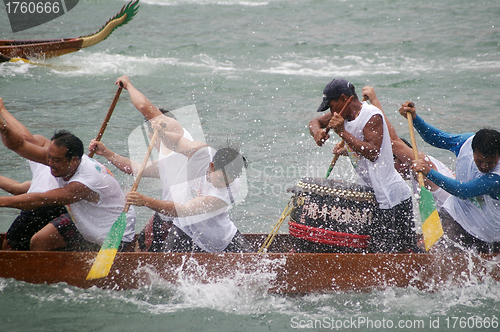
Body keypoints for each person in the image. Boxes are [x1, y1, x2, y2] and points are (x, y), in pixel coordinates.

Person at [112, 75, 252, 253]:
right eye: (223, 178)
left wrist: (145, 200)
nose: (226, 182)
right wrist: (162, 134)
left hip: (221, 240)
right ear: (211, 166)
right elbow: (177, 143)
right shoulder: (203, 153)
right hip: (185, 231)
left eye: (231, 179)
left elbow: (182, 209)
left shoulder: (226, 192)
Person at [0, 98, 136, 251]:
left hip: (113, 232)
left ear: (74, 160)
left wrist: (2, 201)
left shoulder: (84, 182)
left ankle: (52, 273)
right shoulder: (62, 158)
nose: (50, 163)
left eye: (56, 160)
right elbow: (20, 144)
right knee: (42, 239)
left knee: (39, 242)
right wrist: (3, 128)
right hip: (84, 218)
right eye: (49, 157)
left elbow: (41, 199)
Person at [315, 79, 417, 253]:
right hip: (371, 197)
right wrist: (316, 131)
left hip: (392, 198)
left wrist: (343, 133)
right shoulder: (342, 115)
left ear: (343, 99)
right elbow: (315, 121)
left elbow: (373, 152)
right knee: (374, 251)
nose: (332, 112)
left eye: (332, 106)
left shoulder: (371, 115)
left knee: (398, 253)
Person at [90, 105, 194, 252]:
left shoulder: (179, 154)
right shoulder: (170, 157)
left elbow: (144, 106)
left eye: (149, 133)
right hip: (168, 214)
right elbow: (136, 169)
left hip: (185, 220)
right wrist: (107, 153)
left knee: (151, 249)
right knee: (142, 242)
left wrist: (143, 200)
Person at [400, 101, 500, 253]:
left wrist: (429, 172)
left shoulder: (497, 177)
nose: (484, 166)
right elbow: (435, 138)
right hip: (457, 215)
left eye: (490, 162)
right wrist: (415, 119)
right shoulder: (465, 142)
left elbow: (463, 191)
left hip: (489, 232)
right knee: (445, 266)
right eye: (480, 161)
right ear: (473, 150)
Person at [361, 86, 454, 213]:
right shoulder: (419, 169)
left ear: (400, 160)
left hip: (460, 222)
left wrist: (374, 101)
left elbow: (392, 141)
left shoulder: (422, 162)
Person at [0, 161, 67, 250]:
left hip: (44, 207)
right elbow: (18, 189)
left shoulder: (48, 157)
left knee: (9, 247)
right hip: (48, 208)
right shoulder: (47, 164)